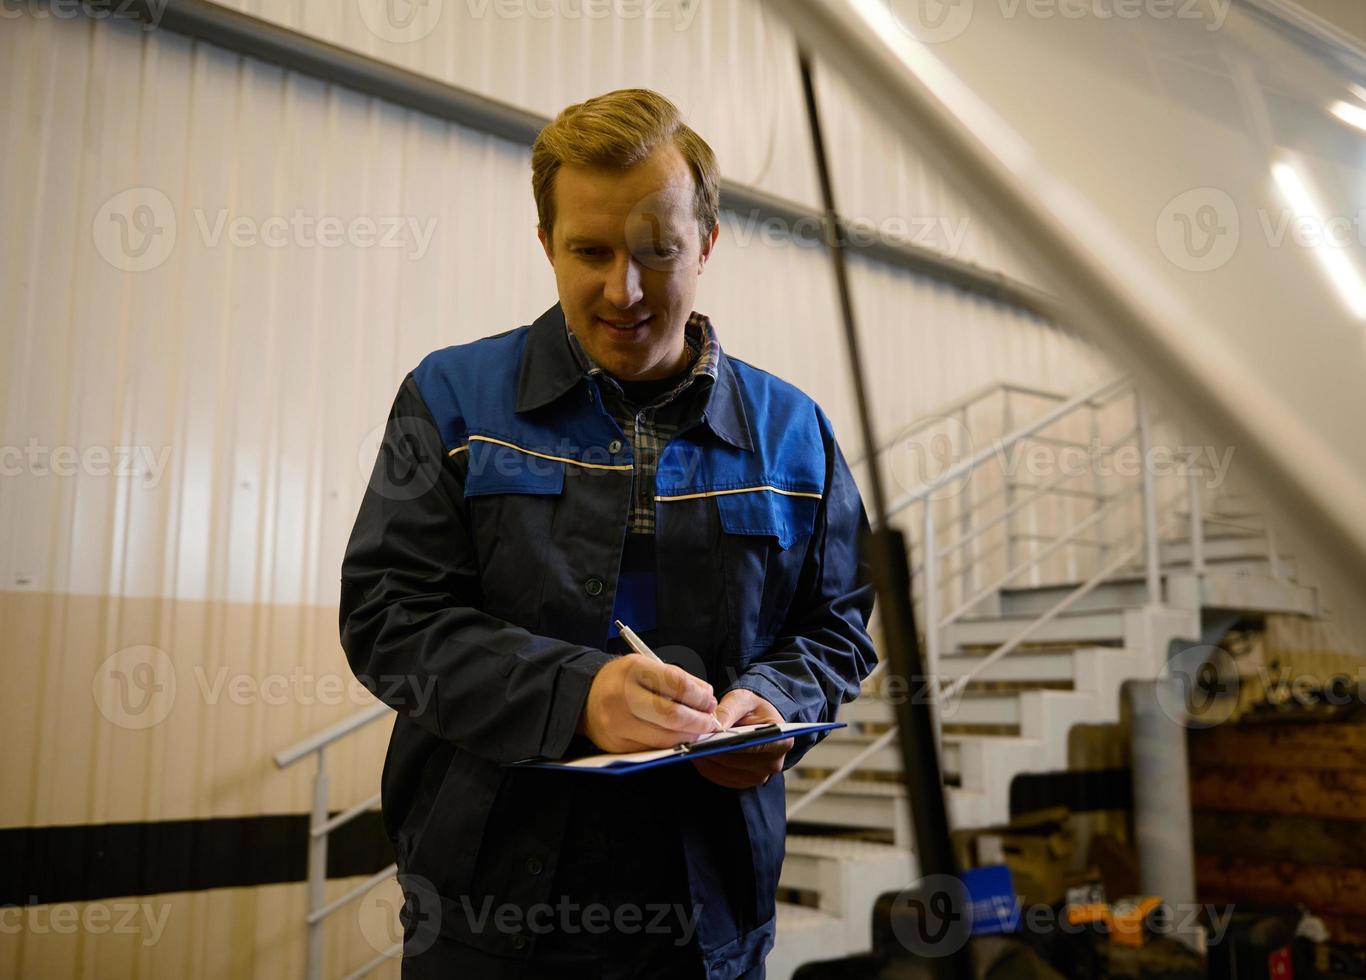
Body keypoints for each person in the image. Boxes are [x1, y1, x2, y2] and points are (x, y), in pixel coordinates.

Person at [340, 88, 877, 980]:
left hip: (708, 920)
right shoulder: (451, 400)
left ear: (705, 244)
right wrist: (576, 697)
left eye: (656, 253)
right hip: (487, 920)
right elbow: (389, 619)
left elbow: (838, 626)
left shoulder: (796, 432)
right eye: (589, 251)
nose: (622, 291)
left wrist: (776, 703)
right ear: (545, 241)